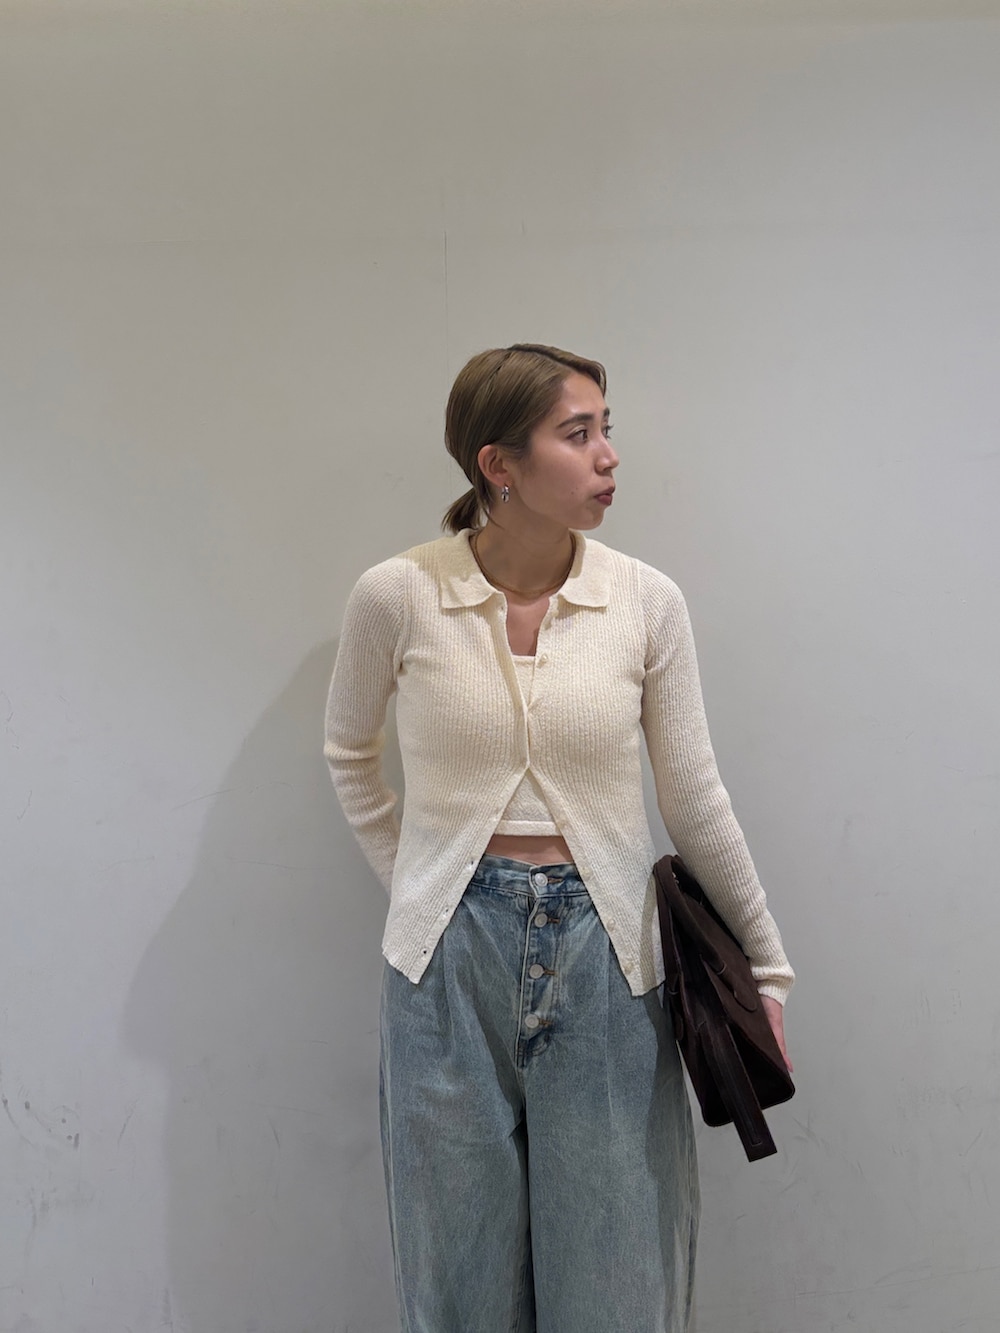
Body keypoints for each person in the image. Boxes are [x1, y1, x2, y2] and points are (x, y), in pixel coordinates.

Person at [324, 343, 794, 1333]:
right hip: (444, 967)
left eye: (605, 429)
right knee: (459, 1284)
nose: (608, 456)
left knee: (617, 1284)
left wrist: (766, 964)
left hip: (609, 954)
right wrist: (422, 889)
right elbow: (348, 755)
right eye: (578, 434)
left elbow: (693, 794)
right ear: (498, 464)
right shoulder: (396, 595)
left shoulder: (646, 602)